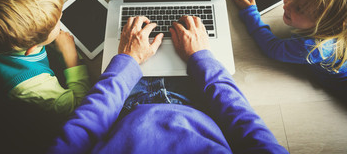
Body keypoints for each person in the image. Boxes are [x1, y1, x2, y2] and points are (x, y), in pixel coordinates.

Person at [48, 15, 288, 154]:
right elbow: (243, 121)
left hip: (124, 109)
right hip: (201, 108)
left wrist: (127, 60)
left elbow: (82, 128)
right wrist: (202, 57)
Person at [232, 0, 347, 95]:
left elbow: (272, 48)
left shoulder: (313, 47)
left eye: (299, 8)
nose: (286, 3)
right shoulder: (335, 17)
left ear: (326, 24)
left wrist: (250, 14)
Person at [0, 0, 92, 114]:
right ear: (32, 48)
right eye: (58, 21)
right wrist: (72, 58)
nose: (61, 17)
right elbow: (80, 109)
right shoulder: (29, 86)